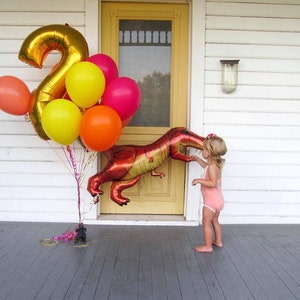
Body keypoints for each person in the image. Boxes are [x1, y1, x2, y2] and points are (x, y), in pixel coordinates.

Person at [191, 133, 227, 253]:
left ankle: (208, 246)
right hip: (218, 200)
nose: (202, 150)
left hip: (210, 202)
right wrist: (197, 159)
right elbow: (205, 166)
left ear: (210, 151)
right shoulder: (213, 165)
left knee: (206, 222)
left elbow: (212, 183)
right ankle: (218, 241)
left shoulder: (212, 167)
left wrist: (199, 180)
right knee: (215, 221)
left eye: (204, 149)